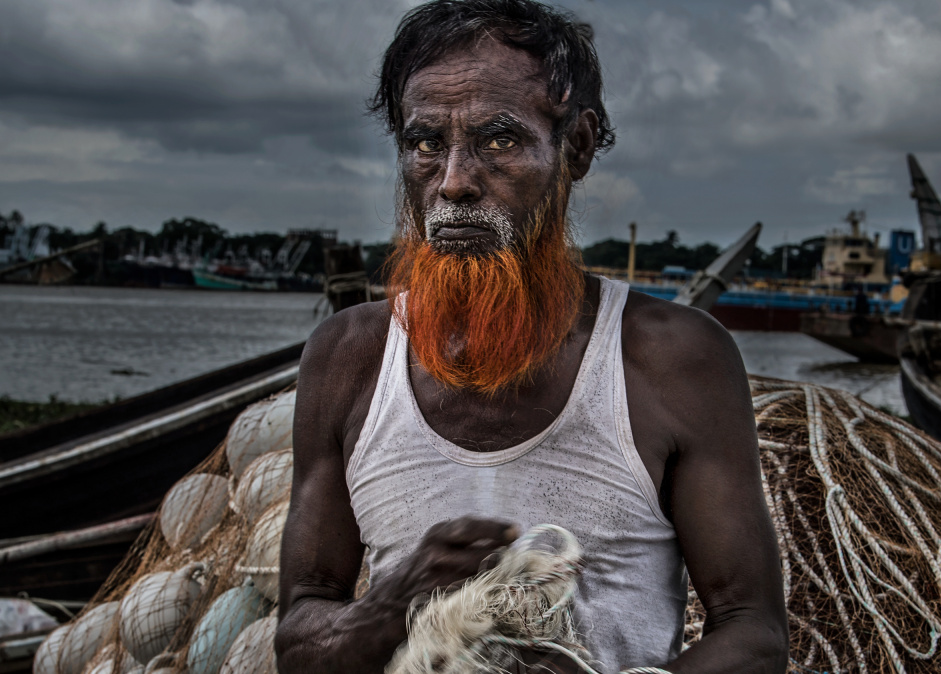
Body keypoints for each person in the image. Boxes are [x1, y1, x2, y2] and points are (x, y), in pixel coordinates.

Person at [275, 1, 788, 672]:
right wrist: (392, 605)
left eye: (498, 141)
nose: (454, 182)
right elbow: (299, 637)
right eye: (426, 143)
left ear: (574, 147)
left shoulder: (674, 358)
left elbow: (752, 634)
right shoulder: (349, 357)